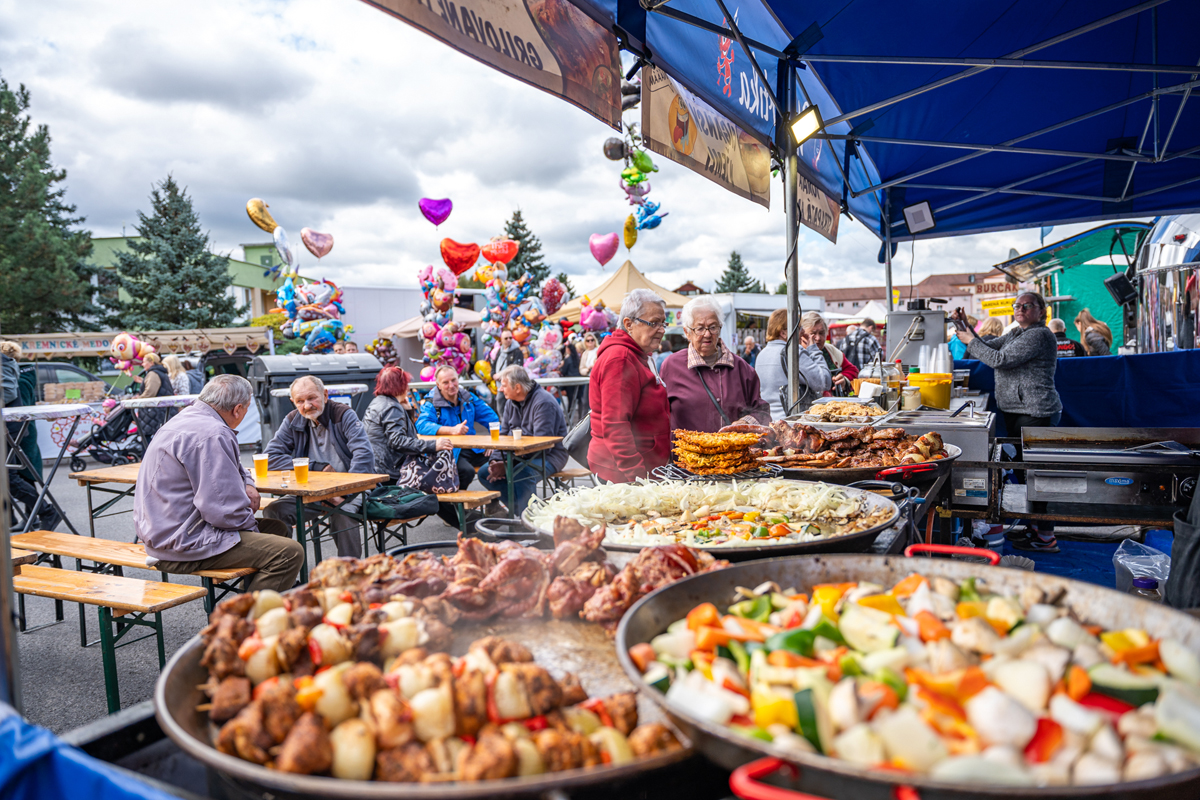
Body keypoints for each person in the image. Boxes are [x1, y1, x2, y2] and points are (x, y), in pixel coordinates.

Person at [133, 375, 304, 593]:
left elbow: (236, 468)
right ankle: (247, 613)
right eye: (247, 408)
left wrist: (248, 483)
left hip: (161, 534)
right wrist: (252, 530)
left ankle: (248, 593)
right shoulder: (213, 433)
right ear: (237, 409)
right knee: (289, 553)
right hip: (182, 543)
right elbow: (224, 512)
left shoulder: (187, 419)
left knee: (277, 528)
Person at [953, 292, 1062, 552]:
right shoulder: (1016, 333)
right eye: (1017, 305)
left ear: (1041, 311)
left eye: (1027, 305)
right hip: (1018, 410)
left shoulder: (1039, 335)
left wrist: (970, 339)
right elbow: (986, 347)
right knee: (1026, 473)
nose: (1020, 309)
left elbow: (998, 360)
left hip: (1036, 412)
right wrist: (965, 326)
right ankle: (1036, 530)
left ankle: (1046, 537)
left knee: (1037, 475)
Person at [263, 375, 377, 558]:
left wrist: (344, 494)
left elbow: (364, 455)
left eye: (311, 398)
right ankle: (284, 568)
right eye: (300, 401)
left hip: (350, 489)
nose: (307, 405)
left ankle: (350, 570)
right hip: (312, 491)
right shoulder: (293, 419)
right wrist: (314, 466)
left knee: (343, 513)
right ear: (293, 402)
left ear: (325, 395)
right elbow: (270, 457)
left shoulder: (343, 414)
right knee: (274, 511)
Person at [587, 288, 671, 483]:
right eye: (654, 323)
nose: (662, 330)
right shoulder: (621, 358)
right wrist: (637, 476)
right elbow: (615, 426)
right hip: (623, 474)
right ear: (629, 324)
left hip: (636, 468)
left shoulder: (636, 354)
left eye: (663, 323)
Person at [661, 296, 771, 432]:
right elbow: (658, 415)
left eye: (713, 327)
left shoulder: (742, 368)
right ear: (687, 332)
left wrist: (744, 423)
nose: (707, 334)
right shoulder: (671, 366)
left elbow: (762, 411)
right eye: (700, 328)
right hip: (685, 446)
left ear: (720, 328)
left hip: (732, 446)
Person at [479, 365, 568, 514]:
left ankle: (529, 518)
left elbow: (542, 445)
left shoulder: (543, 402)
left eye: (504, 385)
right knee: (485, 473)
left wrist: (508, 463)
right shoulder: (510, 402)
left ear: (518, 388)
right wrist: (496, 460)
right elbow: (503, 435)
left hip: (551, 455)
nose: (500, 389)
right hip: (520, 456)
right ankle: (524, 513)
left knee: (522, 473)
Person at [416, 365, 500, 493]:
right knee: (466, 471)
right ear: (438, 385)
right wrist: (451, 430)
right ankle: (456, 504)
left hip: (473, 449)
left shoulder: (469, 398)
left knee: (499, 462)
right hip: (448, 451)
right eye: (445, 382)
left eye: (453, 380)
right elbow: (421, 425)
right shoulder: (431, 403)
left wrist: (493, 443)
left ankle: (493, 501)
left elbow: (492, 418)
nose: (451, 385)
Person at [755, 309, 831, 420]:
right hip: (793, 421)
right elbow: (824, 382)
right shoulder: (793, 352)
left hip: (768, 420)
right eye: (798, 328)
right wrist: (813, 349)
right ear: (783, 333)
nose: (802, 332)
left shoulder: (761, 355)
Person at [799, 311, 859, 397]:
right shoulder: (797, 353)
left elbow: (853, 370)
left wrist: (844, 379)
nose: (818, 338)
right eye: (813, 334)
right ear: (802, 334)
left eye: (821, 333)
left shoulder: (831, 350)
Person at [137, 352, 174, 440]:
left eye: (144, 362)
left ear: (151, 363)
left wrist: (137, 399)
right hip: (161, 412)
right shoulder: (160, 373)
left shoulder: (153, 374)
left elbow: (150, 393)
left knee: (150, 442)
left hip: (155, 414)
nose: (142, 364)